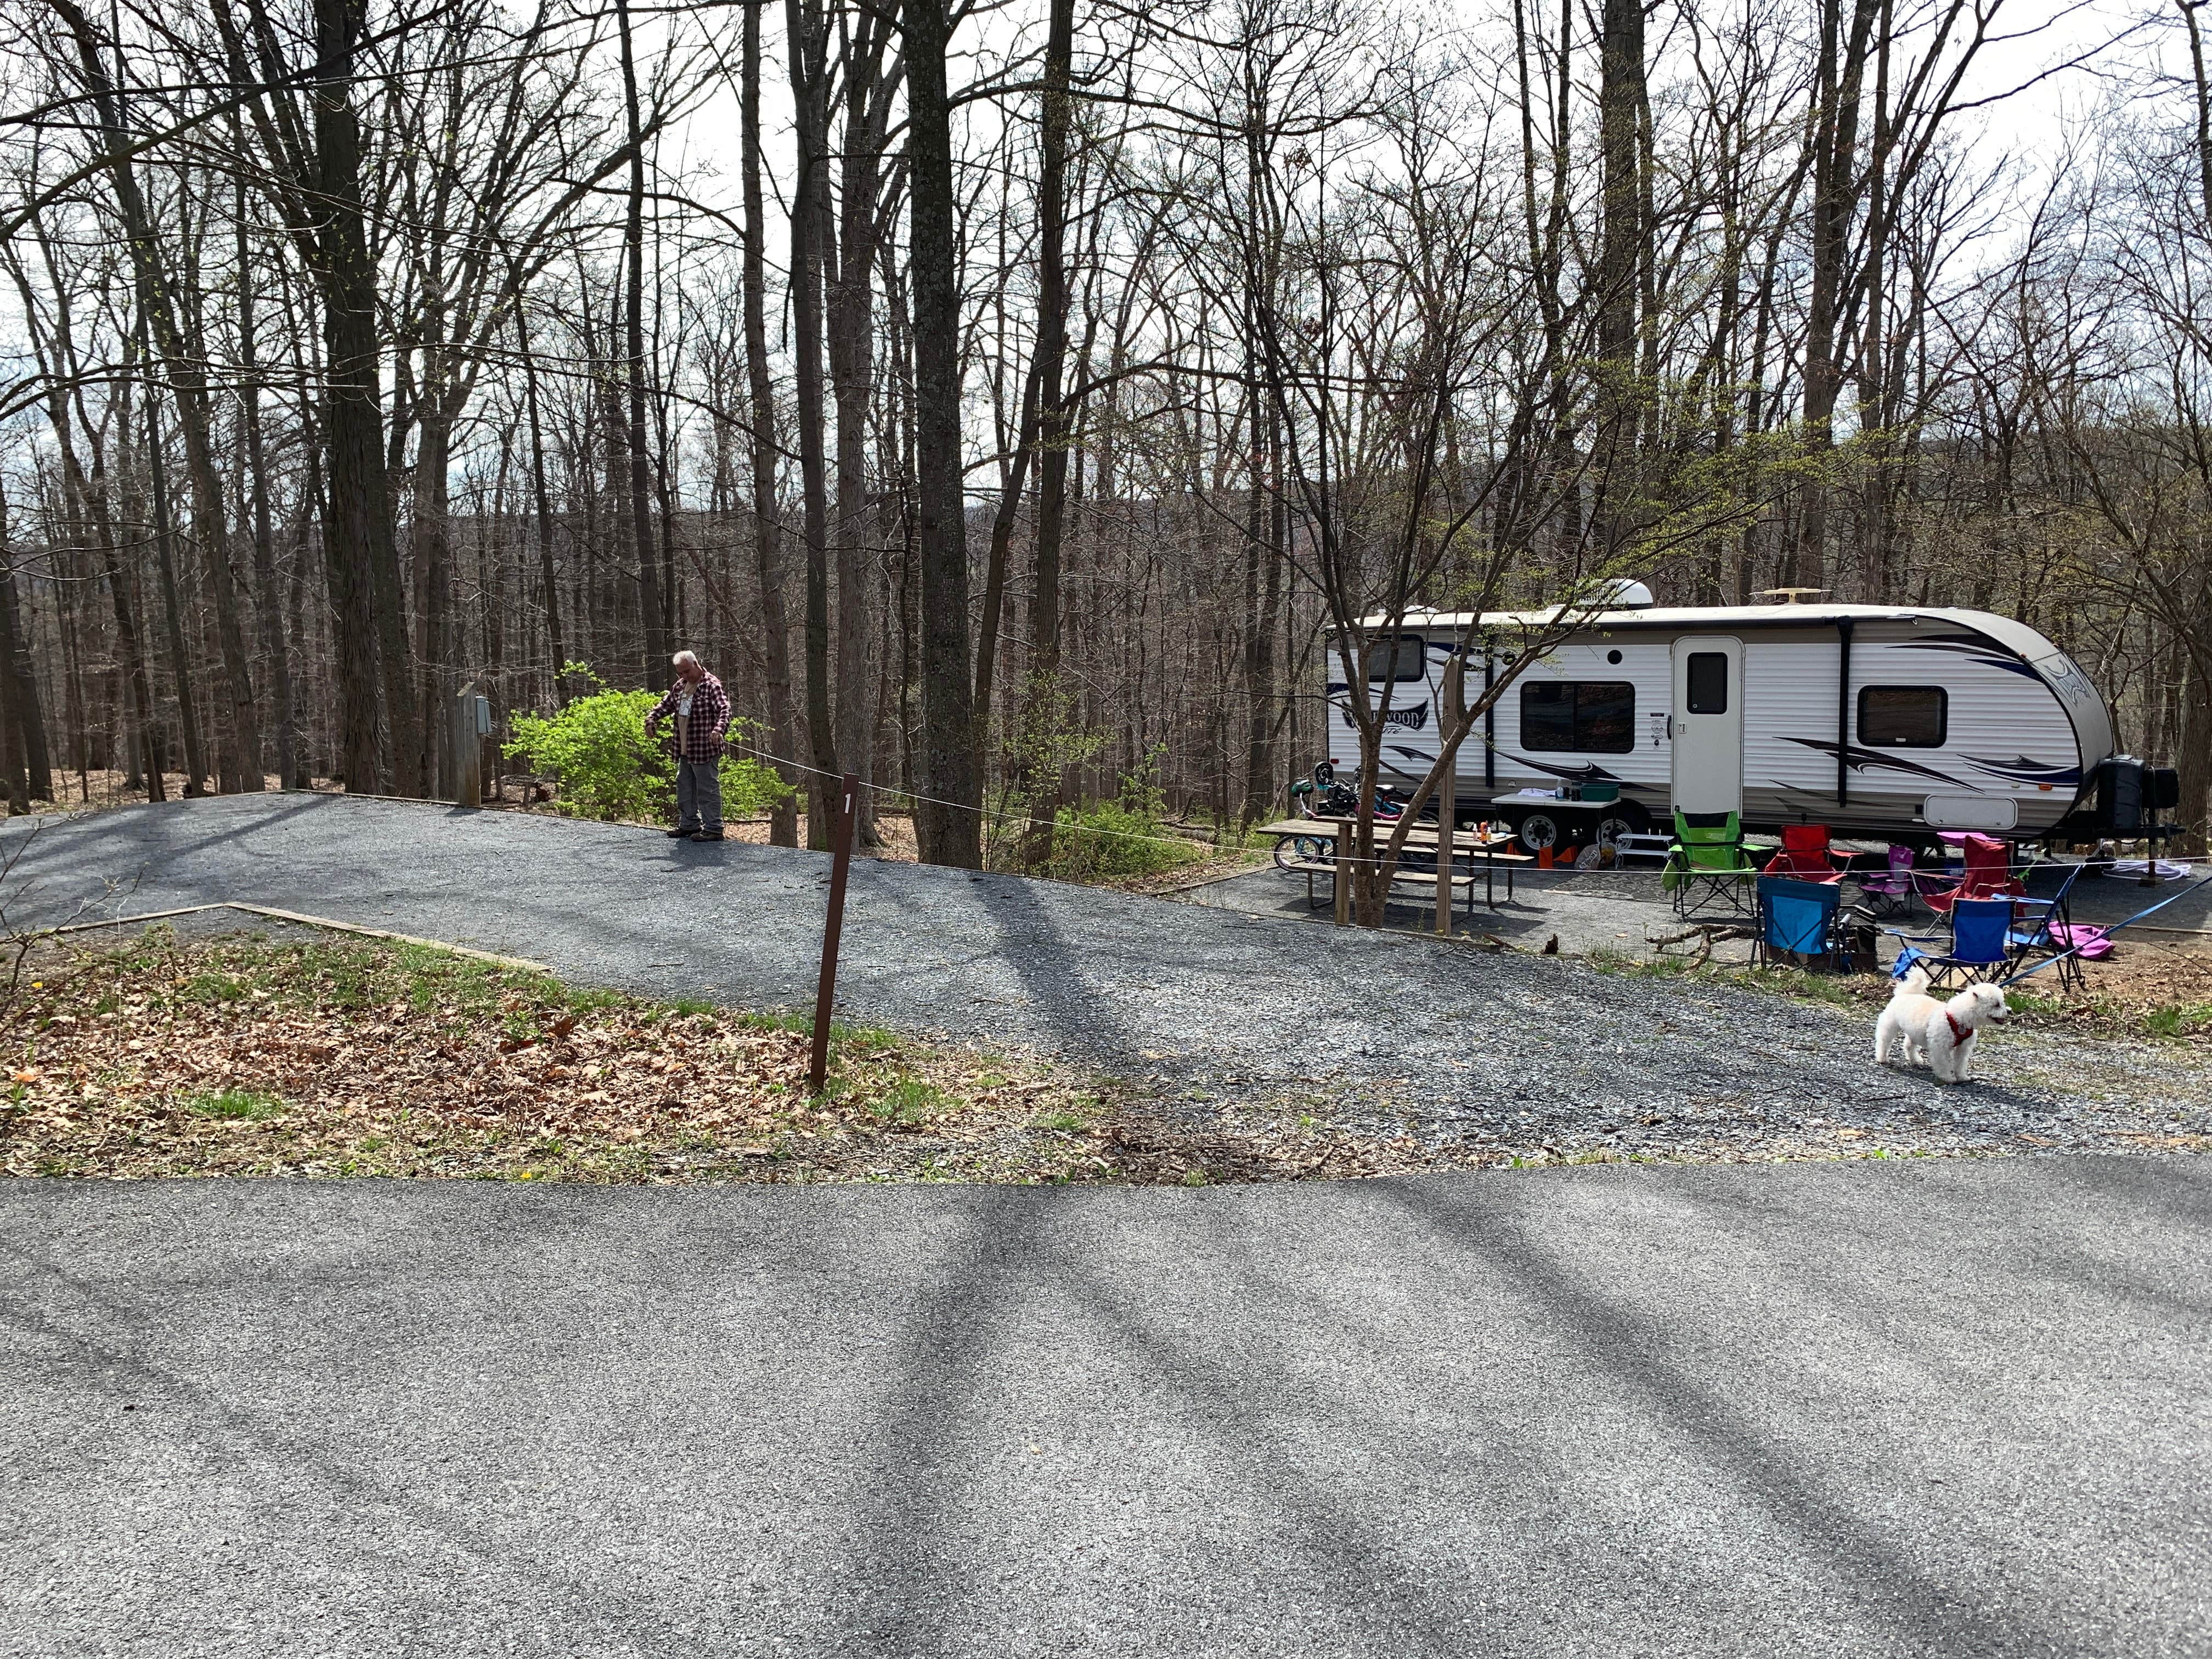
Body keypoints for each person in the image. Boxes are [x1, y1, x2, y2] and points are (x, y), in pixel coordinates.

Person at [644, 651, 731, 841]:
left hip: (704, 749)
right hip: (684, 748)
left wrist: (719, 730)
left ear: (696, 664)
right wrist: (651, 719)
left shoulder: (711, 685)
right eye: (680, 673)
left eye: (686, 671)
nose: (684, 676)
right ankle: (689, 824)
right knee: (684, 786)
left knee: (707, 789)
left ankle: (714, 829)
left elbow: (724, 709)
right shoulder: (681, 686)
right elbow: (666, 705)